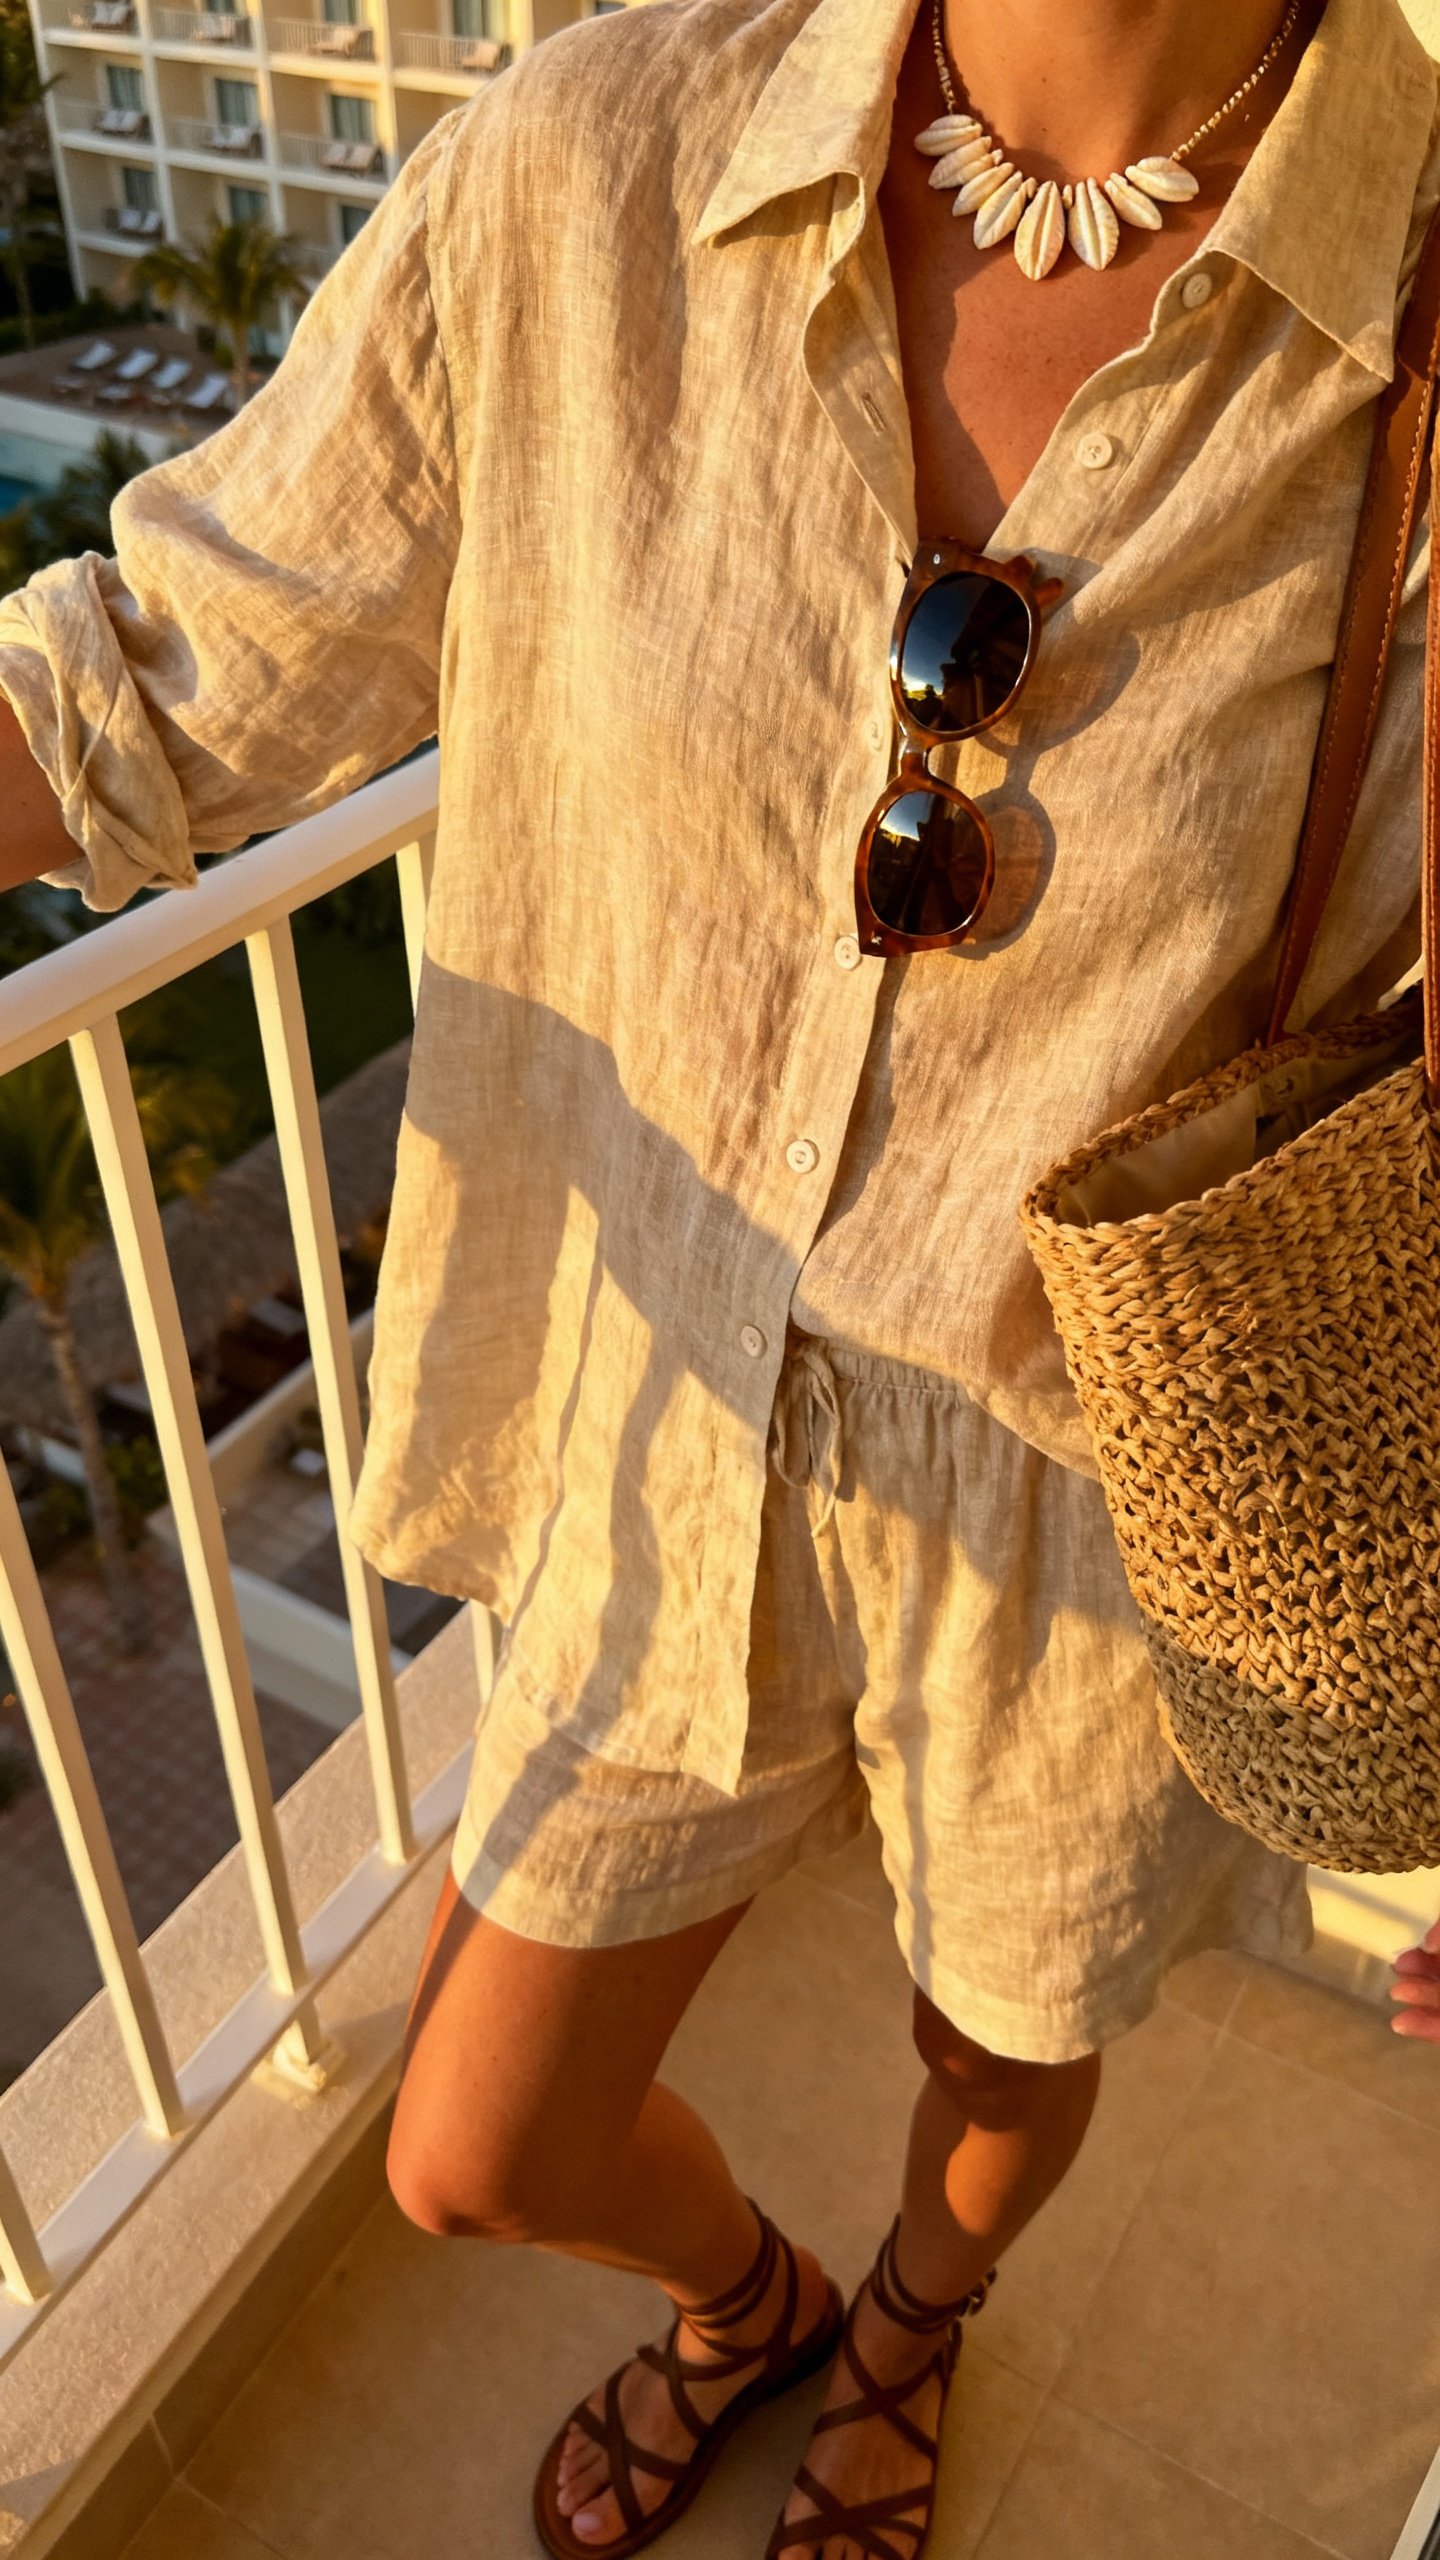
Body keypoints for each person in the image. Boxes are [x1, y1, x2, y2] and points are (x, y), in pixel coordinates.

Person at [2, 0, 1439, 2549]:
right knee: (477, 2139)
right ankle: (746, 2295)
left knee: (1000, 2044)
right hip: (648, 1421)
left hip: (1081, 1517)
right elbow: (162, 684)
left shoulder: (1410, 309)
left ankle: (909, 2323)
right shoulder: (600, 165)